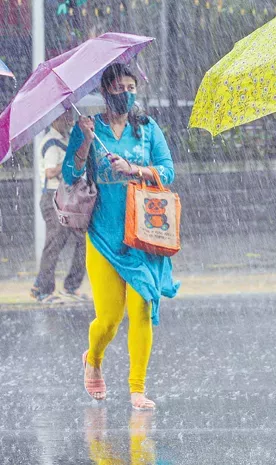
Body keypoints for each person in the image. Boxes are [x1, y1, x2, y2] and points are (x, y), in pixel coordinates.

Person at [63, 63, 179, 410]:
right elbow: (71, 173)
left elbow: (168, 170)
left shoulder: (147, 128)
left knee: (142, 306)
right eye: (117, 88)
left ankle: (137, 388)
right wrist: (83, 141)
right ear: (104, 92)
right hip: (103, 235)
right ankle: (94, 359)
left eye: (131, 86)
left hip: (142, 234)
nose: (125, 92)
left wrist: (136, 170)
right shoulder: (89, 128)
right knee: (109, 319)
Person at [30, 111, 88, 303]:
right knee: (54, 243)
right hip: (53, 198)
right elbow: (49, 172)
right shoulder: (50, 142)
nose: (70, 120)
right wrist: (68, 164)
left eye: (71, 116)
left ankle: (71, 285)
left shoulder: (69, 138)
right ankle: (43, 290)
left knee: (84, 239)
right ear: (55, 119)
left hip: (69, 198)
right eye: (66, 117)